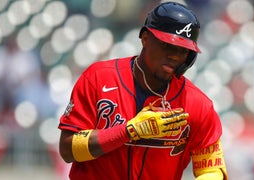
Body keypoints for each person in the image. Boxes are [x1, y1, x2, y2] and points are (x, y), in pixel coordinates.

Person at [58, 2, 228, 180]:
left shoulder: (197, 104)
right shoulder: (98, 78)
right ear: (145, 38)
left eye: (183, 51)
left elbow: (211, 169)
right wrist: (128, 131)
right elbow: (67, 150)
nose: (175, 56)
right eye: (167, 46)